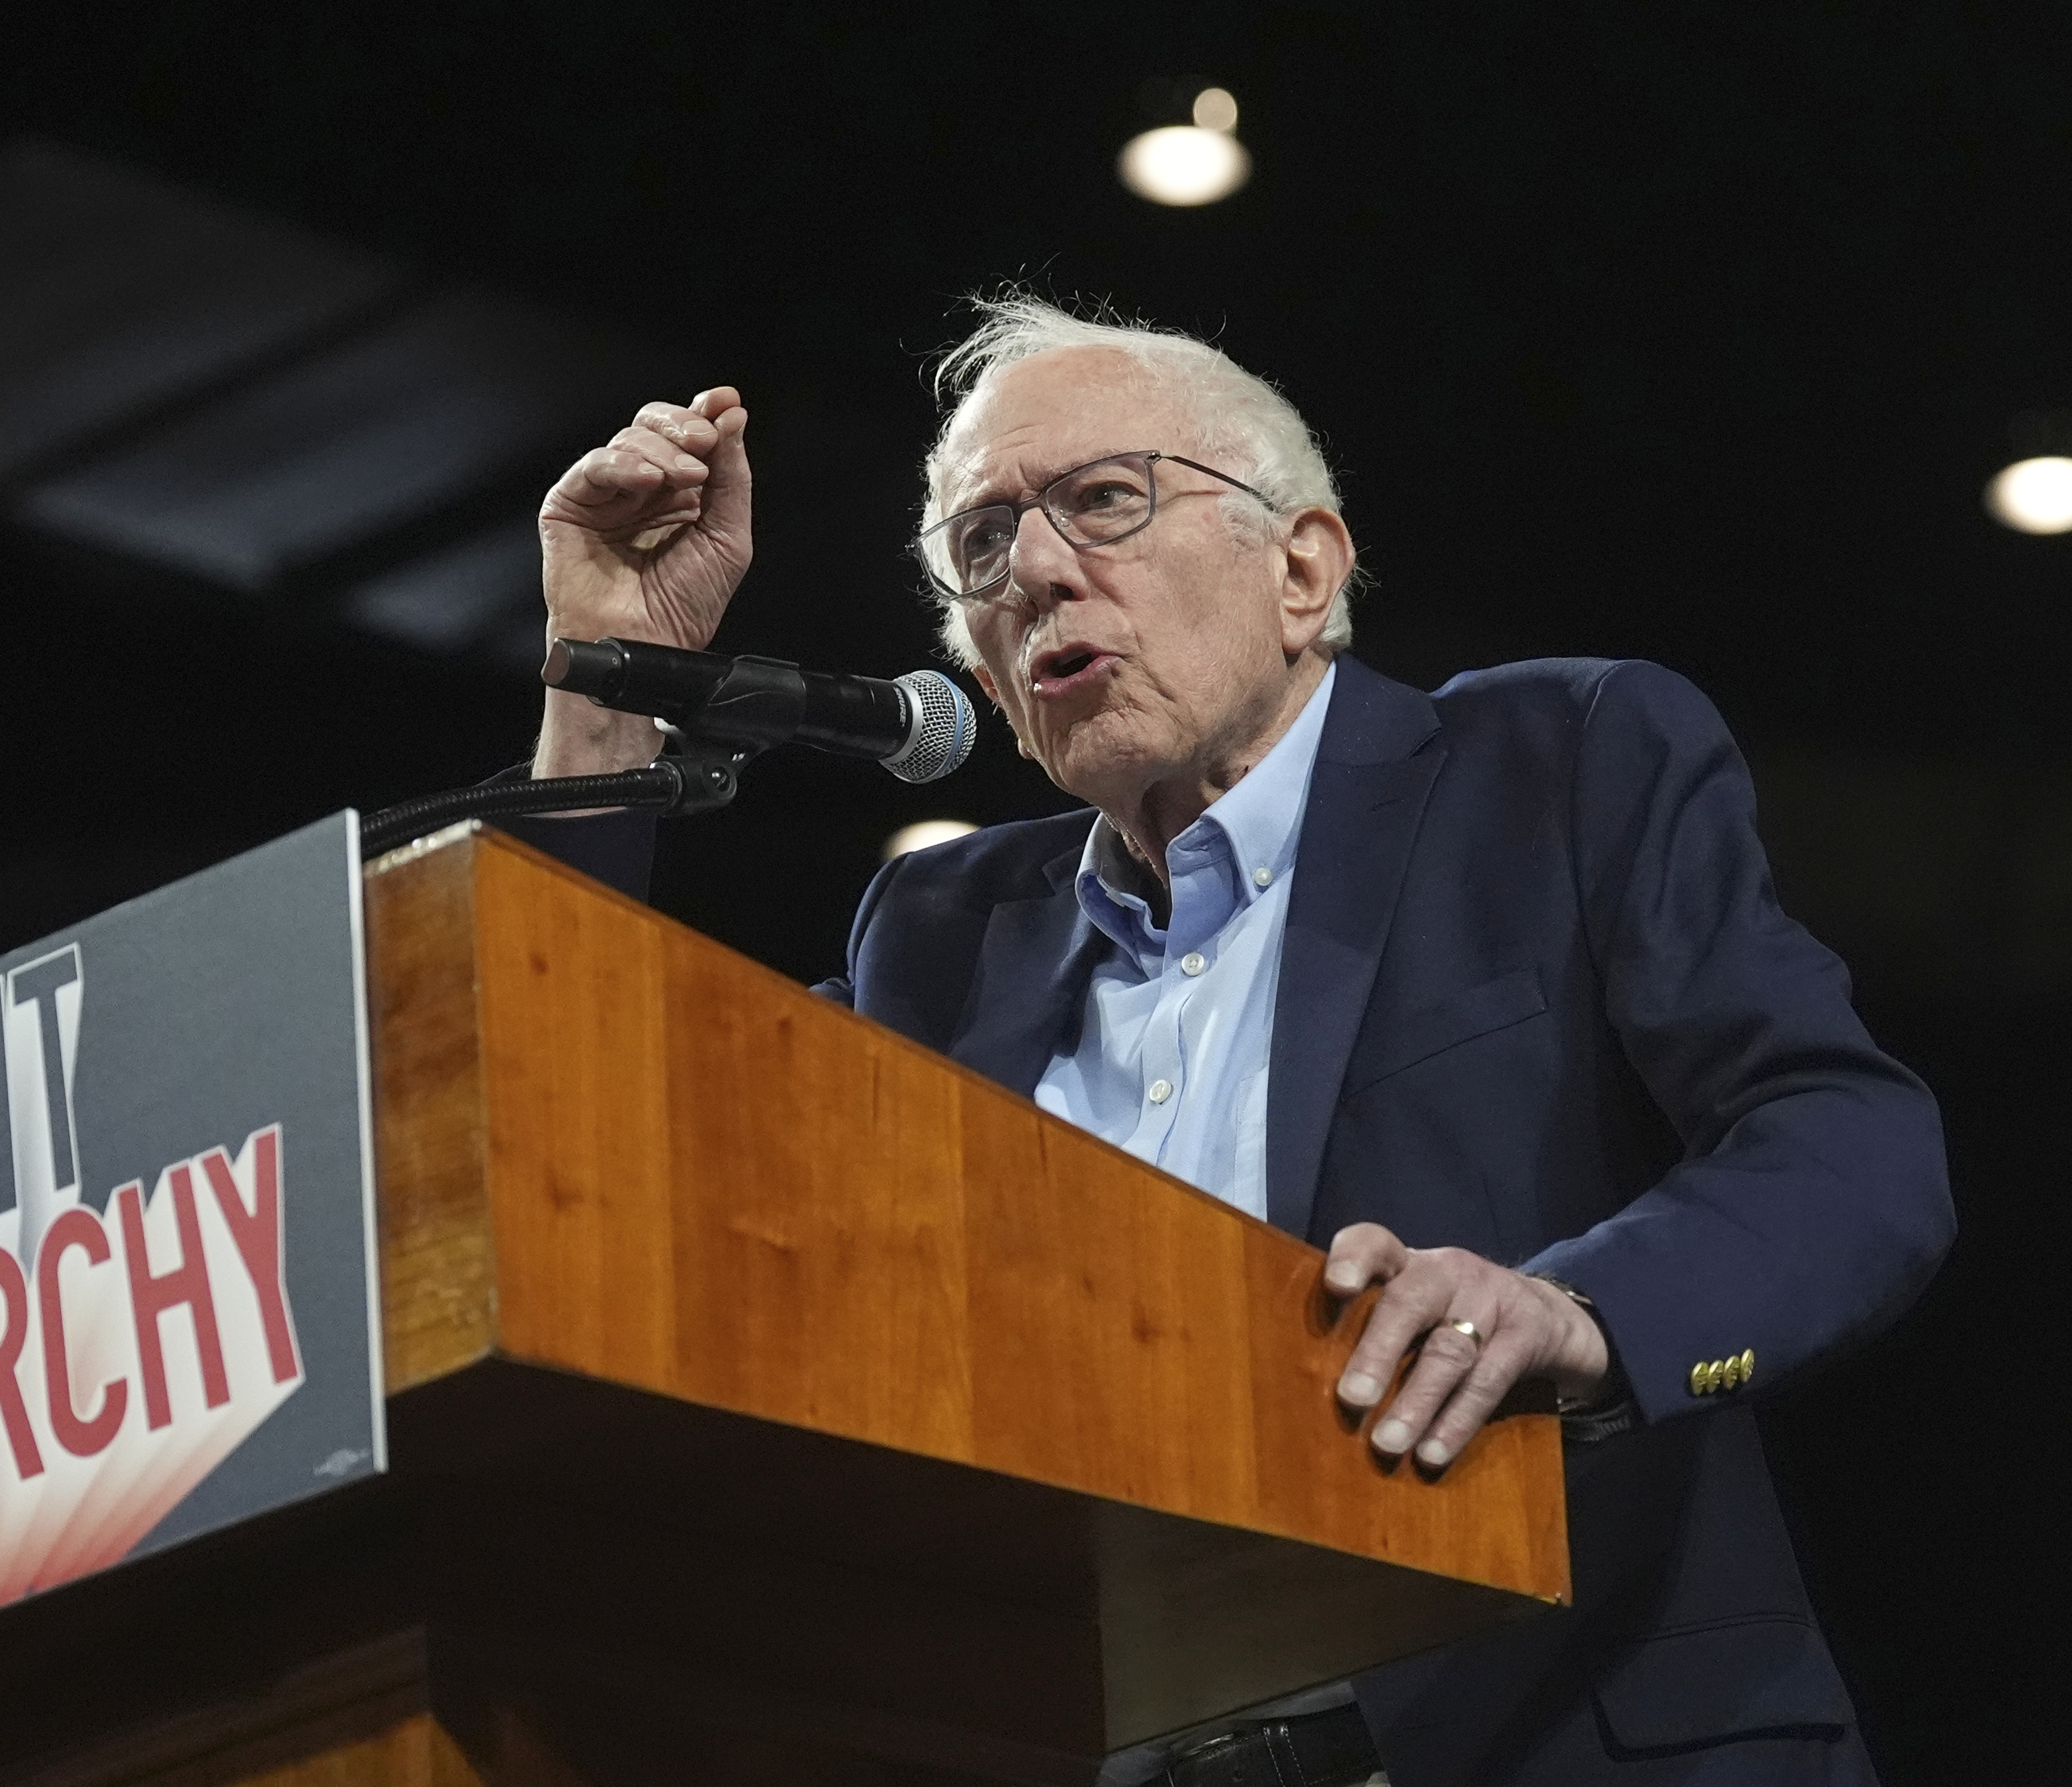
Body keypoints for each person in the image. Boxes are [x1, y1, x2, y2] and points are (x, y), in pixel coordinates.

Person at [517, 296, 1954, 1787]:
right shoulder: (940, 938)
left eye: (1104, 499)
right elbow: (587, 1139)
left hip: (1555, 1739)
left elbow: (1847, 1140)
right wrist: (610, 683)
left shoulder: (1556, 766)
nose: (1040, 571)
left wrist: (1577, 1316)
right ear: (991, 684)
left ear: (1303, 569)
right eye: (986, 544)